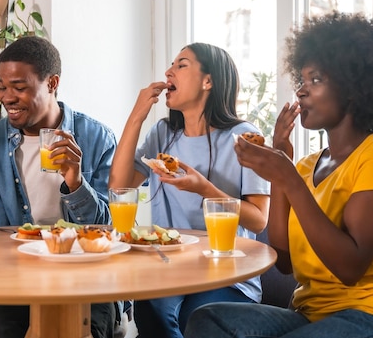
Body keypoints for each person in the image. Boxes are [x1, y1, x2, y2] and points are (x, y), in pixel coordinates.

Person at [184, 12, 373, 338]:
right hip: (311, 316)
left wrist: (289, 179)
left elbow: (350, 268)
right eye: (302, 80)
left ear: (354, 88)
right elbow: (284, 261)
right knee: (206, 319)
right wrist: (283, 165)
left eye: (316, 80)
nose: (301, 91)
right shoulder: (308, 166)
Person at [109, 42, 270, 338]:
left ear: (208, 81)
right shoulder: (163, 134)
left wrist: (203, 188)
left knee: (195, 317)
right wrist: (136, 116)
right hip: (169, 266)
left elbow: (259, 219)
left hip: (227, 272)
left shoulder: (244, 137)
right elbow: (119, 186)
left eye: (181, 65)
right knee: (149, 310)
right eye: (171, 65)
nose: (169, 71)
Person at [0, 36, 119, 338]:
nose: (6, 97)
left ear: (51, 83)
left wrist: (75, 182)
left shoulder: (97, 139)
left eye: (19, 87)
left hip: (86, 273)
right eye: (2, 86)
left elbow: (109, 230)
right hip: (15, 275)